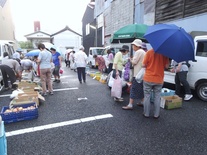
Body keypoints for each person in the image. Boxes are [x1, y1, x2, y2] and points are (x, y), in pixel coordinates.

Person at [142, 49, 169, 119]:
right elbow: (166, 66)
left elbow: (143, 64)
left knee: (147, 96)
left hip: (148, 78)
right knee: (157, 97)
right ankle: (156, 114)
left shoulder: (149, 52)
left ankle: (146, 113)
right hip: (159, 79)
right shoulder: (165, 54)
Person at [122, 39, 146, 110]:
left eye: (133, 45)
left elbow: (134, 62)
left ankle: (130, 104)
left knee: (133, 88)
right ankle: (143, 102)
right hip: (142, 74)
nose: (133, 47)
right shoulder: (143, 52)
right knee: (141, 88)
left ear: (136, 46)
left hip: (137, 74)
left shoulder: (138, 52)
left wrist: (130, 59)